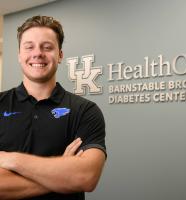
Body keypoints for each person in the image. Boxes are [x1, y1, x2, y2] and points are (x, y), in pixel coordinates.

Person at [0, 15, 106, 200]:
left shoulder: (85, 111)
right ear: (19, 54)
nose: (37, 53)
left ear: (60, 55)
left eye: (47, 47)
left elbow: (86, 177)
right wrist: (63, 173)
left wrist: (11, 160)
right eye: (29, 46)